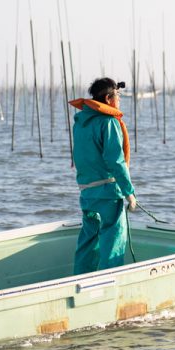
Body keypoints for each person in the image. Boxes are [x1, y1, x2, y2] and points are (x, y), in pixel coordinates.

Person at [69, 77, 137, 275]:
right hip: (108, 191)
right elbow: (115, 160)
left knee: (89, 239)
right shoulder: (108, 122)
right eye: (118, 96)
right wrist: (129, 192)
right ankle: (110, 283)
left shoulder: (81, 123)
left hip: (87, 192)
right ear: (108, 98)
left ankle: (81, 279)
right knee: (113, 237)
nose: (119, 100)